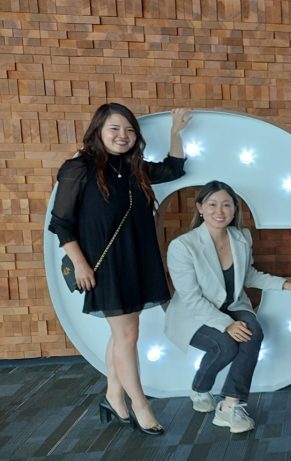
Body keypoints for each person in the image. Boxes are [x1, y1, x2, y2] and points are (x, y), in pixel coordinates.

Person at [49, 103, 189, 435]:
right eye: (114, 128)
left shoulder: (134, 168)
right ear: (98, 130)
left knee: (123, 334)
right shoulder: (77, 168)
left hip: (136, 261)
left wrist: (175, 132)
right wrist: (80, 264)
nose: (122, 136)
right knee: (127, 335)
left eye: (128, 130)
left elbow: (174, 170)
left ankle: (114, 395)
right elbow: (61, 224)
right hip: (105, 265)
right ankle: (140, 405)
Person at [164, 181, 291, 433]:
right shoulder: (182, 246)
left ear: (234, 209)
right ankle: (199, 387)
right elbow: (191, 298)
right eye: (212, 204)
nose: (219, 211)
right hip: (194, 315)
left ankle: (231, 405)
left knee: (252, 331)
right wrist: (227, 324)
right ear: (200, 208)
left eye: (226, 204)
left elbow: (249, 276)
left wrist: (283, 283)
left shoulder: (241, 237)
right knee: (226, 345)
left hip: (233, 304)